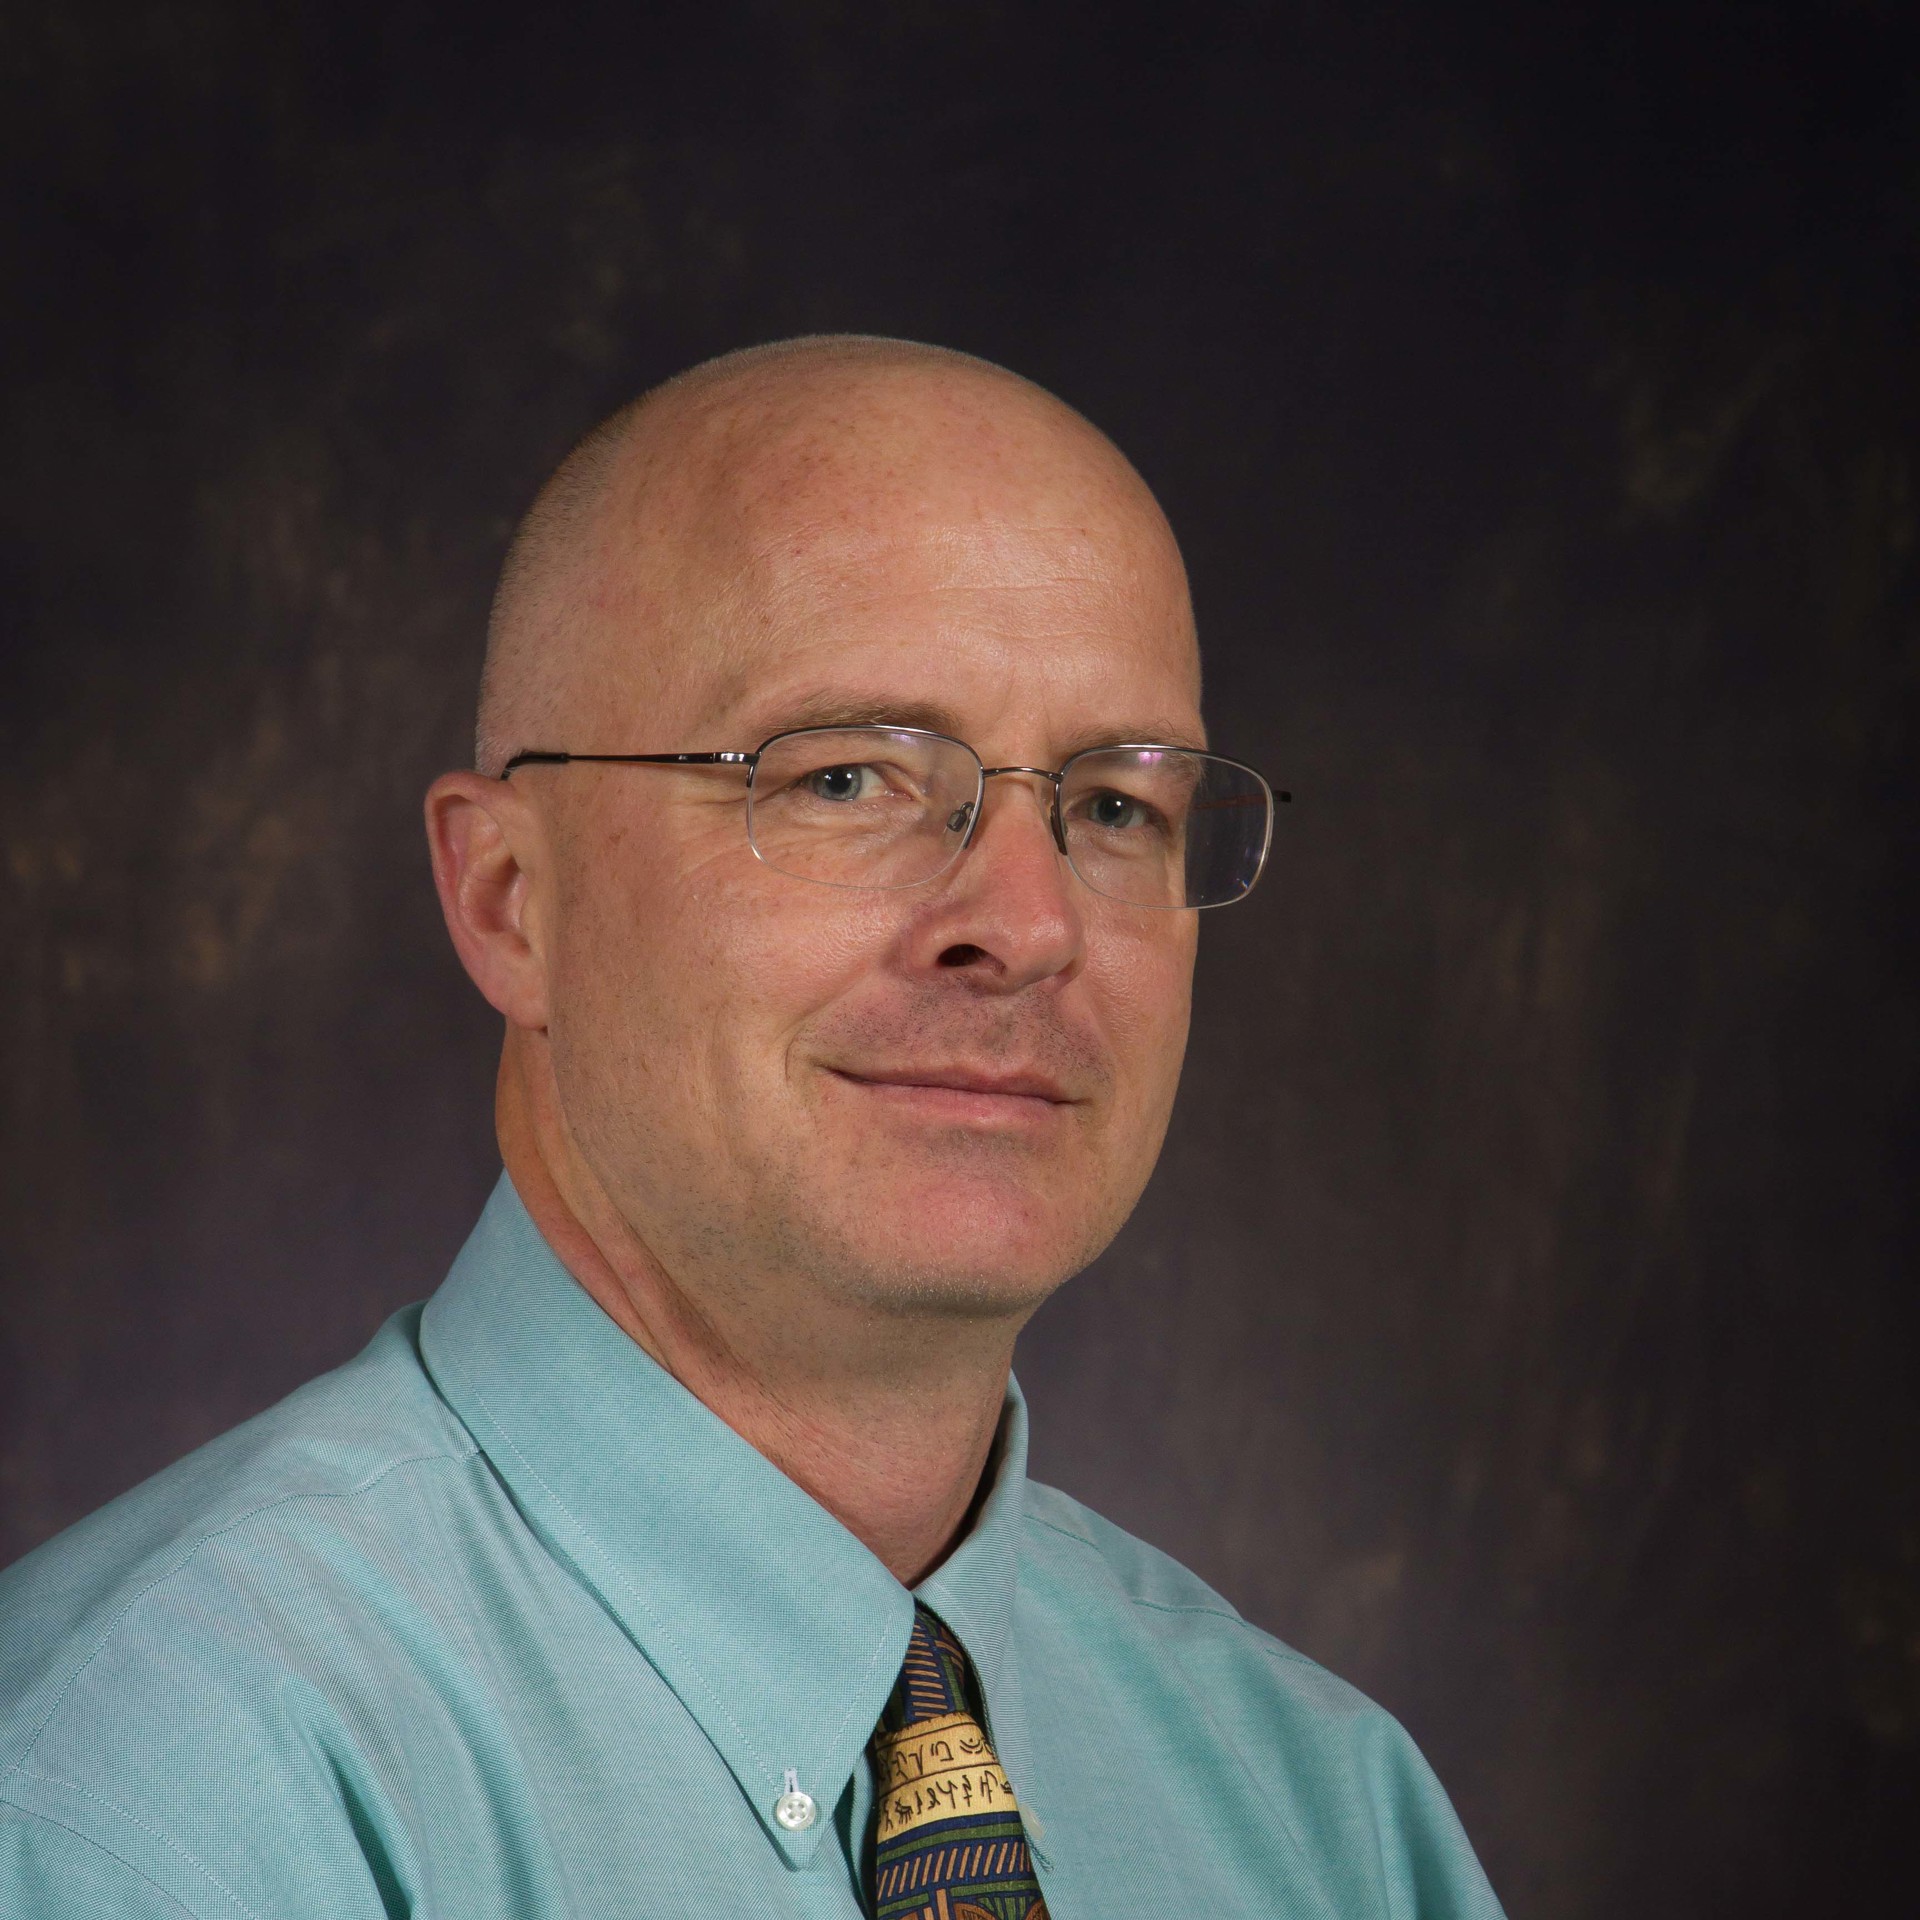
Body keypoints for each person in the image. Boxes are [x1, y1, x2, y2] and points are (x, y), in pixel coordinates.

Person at [0, 337, 1502, 1917]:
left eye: (1117, 805)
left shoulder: (1326, 1812)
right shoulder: (147, 1798)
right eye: (848, 777)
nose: (1027, 922)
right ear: (513, 901)